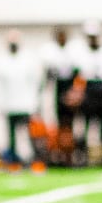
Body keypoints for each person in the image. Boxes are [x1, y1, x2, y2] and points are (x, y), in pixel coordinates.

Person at [0, 29, 43, 170]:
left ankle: (35, 162)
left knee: (30, 135)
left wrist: (35, 104)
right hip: (9, 105)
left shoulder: (28, 59)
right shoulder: (1, 61)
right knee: (12, 137)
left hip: (26, 104)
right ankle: (14, 163)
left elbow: (35, 83)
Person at [73, 19, 102, 167]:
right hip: (88, 93)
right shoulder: (80, 53)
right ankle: (83, 157)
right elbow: (77, 77)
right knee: (84, 127)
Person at [39, 25, 80, 167]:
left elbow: (78, 75)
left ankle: (69, 155)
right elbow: (47, 78)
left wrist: (73, 93)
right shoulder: (50, 53)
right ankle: (58, 154)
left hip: (69, 92)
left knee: (69, 127)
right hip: (56, 92)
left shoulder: (73, 52)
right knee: (56, 125)